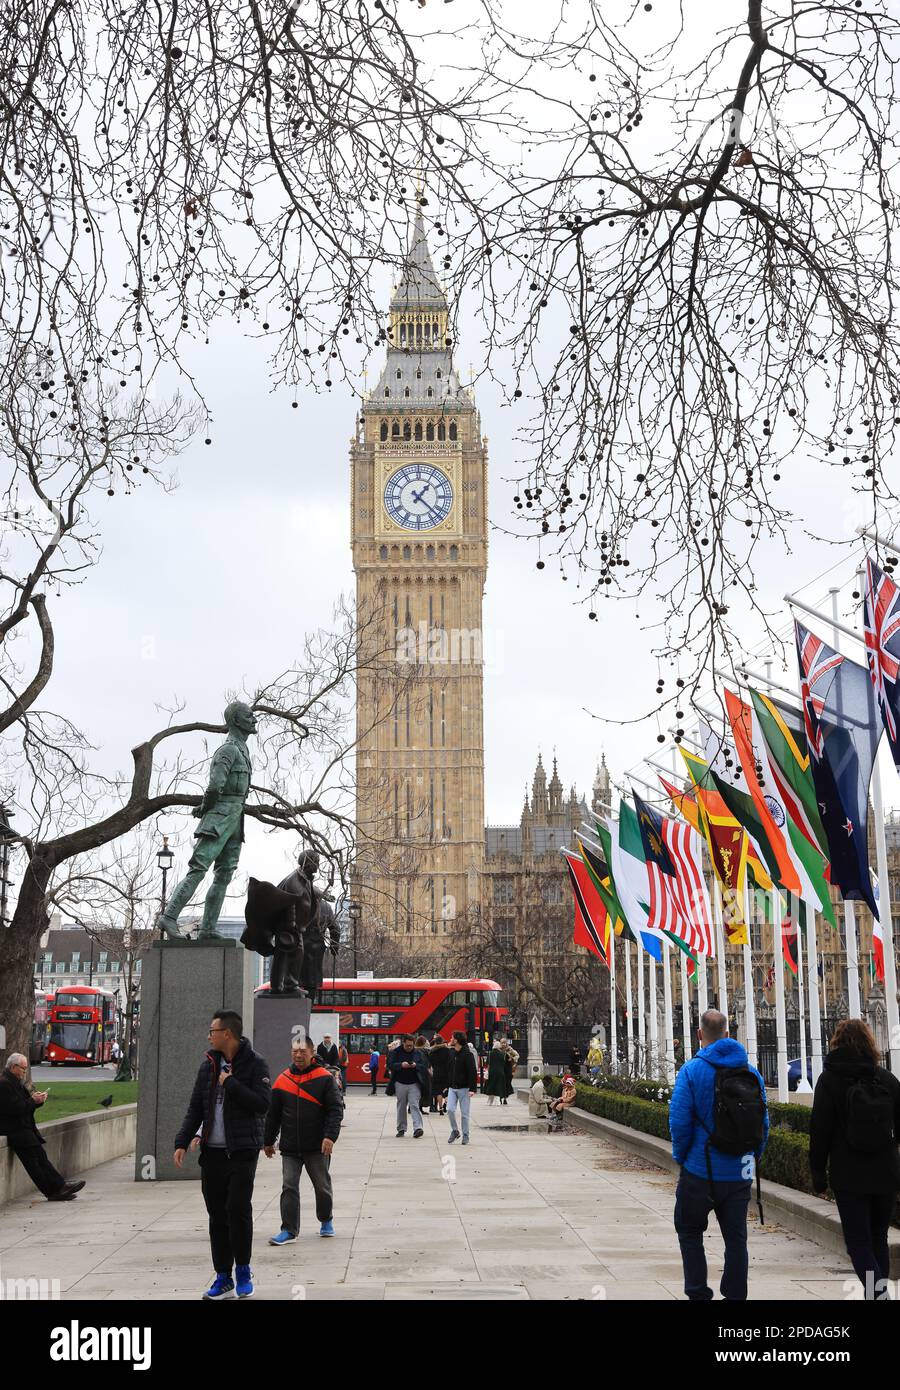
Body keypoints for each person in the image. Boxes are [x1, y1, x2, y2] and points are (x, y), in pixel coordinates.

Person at [668, 1008, 768, 1302]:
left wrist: (682, 1157)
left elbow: (679, 1122)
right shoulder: (751, 1073)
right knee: (736, 1238)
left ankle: (699, 1294)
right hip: (739, 1172)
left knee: (689, 1231)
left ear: (700, 1034)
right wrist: (751, 1157)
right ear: (728, 1033)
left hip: (700, 1171)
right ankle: (735, 1295)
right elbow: (763, 1124)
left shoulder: (691, 1071)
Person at [174, 1010, 271, 1301]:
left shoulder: (256, 1064)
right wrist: (181, 1140)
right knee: (217, 1215)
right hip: (212, 1154)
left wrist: (231, 1084)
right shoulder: (208, 1065)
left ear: (227, 1033)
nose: (208, 1036)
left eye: (212, 1031)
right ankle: (222, 1277)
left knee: (238, 1209)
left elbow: (262, 1105)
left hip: (242, 1152)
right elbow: (196, 1107)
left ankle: (243, 1271)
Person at [809, 1018, 900, 1300]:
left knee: (858, 1243)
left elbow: (819, 1130)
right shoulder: (886, 1079)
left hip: (849, 1174)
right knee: (878, 1239)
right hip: (885, 1172)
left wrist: (818, 1176)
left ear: (836, 1042)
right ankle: (877, 1295)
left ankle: (878, 1295)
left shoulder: (829, 1080)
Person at [264, 1035, 343, 1244]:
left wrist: (330, 1137)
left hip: (317, 1145)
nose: (298, 1055)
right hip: (290, 1146)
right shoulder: (283, 1079)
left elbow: (335, 1110)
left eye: (303, 1052)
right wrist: (268, 1140)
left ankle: (326, 1220)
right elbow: (273, 1114)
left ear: (311, 1053)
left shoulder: (324, 1077)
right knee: (289, 1186)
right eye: (295, 1051)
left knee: (322, 1186)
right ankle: (289, 1230)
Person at [0, 1054, 85, 1202]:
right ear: (13, 1067)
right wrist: (33, 1101)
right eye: (23, 1069)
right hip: (16, 1131)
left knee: (41, 1159)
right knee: (34, 1164)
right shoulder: (5, 1084)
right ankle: (53, 1190)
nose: (24, 1072)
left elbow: (25, 1105)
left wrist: (37, 1101)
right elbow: (16, 1108)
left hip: (23, 1129)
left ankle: (60, 1186)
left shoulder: (14, 1082)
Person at [387, 1034, 427, 1137]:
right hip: (400, 1082)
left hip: (414, 1083)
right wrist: (401, 1065)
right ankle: (401, 1128)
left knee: (414, 1104)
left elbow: (424, 1066)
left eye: (411, 1045)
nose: (409, 1047)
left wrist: (415, 1065)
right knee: (401, 1106)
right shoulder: (395, 1052)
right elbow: (390, 1065)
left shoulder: (418, 1052)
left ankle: (418, 1128)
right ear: (403, 1043)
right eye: (407, 1045)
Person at [447, 1030, 478, 1146]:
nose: (450, 1039)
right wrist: (446, 1086)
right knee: (449, 1110)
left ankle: (465, 1135)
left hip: (464, 1088)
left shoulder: (467, 1055)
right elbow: (449, 1070)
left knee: (465, 1114)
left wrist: (472, 1089)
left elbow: (472, 1072)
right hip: (452, 1087)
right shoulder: (451, 1053)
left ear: (456, 1040)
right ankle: (455, 1131)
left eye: (452, 1038)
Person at [429, 1035, 451, 1116]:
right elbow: (450, 1062)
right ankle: (446, 1105)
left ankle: (441, 1108)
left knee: (438, 1091)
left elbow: (430, 1063)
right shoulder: (446, 1050)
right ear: (442, 1041)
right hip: (446, 1073)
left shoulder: (432, 1051)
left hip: (436, 1073)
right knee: (446, 1090)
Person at [484, 1039, 507, 1106]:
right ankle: (498, 1102)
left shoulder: (490, 1054)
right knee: (498, 1086)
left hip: (492, 1072)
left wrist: (488, 1071)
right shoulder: (503, 1054)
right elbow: (504, 1063)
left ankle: (490, 1102)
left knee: (491, 1086)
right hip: (500, 1072)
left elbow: (488, 1064)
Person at [415, 1035, 433, 1112]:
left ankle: (411, 1107)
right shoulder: (426, 1051)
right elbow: (429, 1063)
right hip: (424, 1073)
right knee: (423, 1091)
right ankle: (420, 1107)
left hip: (415, 1072)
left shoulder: (414, 1050)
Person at [501, 1038, 519, 1104]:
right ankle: (500, 1097)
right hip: (501, 1069)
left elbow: (517, 1056)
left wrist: (512, 1058)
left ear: (506, 1043)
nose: (503, 1044)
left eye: (504, 1043)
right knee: (501, 1084)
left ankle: (505, 1098)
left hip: (508, 1069)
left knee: (507, 1084)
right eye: (502, 1043)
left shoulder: (510, 1050)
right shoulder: (499, 1049)